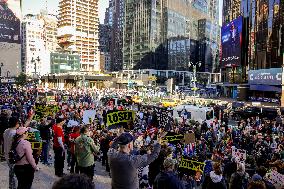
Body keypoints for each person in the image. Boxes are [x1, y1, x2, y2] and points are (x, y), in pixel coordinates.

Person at [3, 115, 33, 189]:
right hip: (13, 157)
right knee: (16, 176)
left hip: (7, 155)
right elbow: (21, 134)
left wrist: (29, 119)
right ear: (17, 123)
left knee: (12, 173)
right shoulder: (14, 133)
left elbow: (22, 129)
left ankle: (11, 186)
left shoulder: (6, 131)